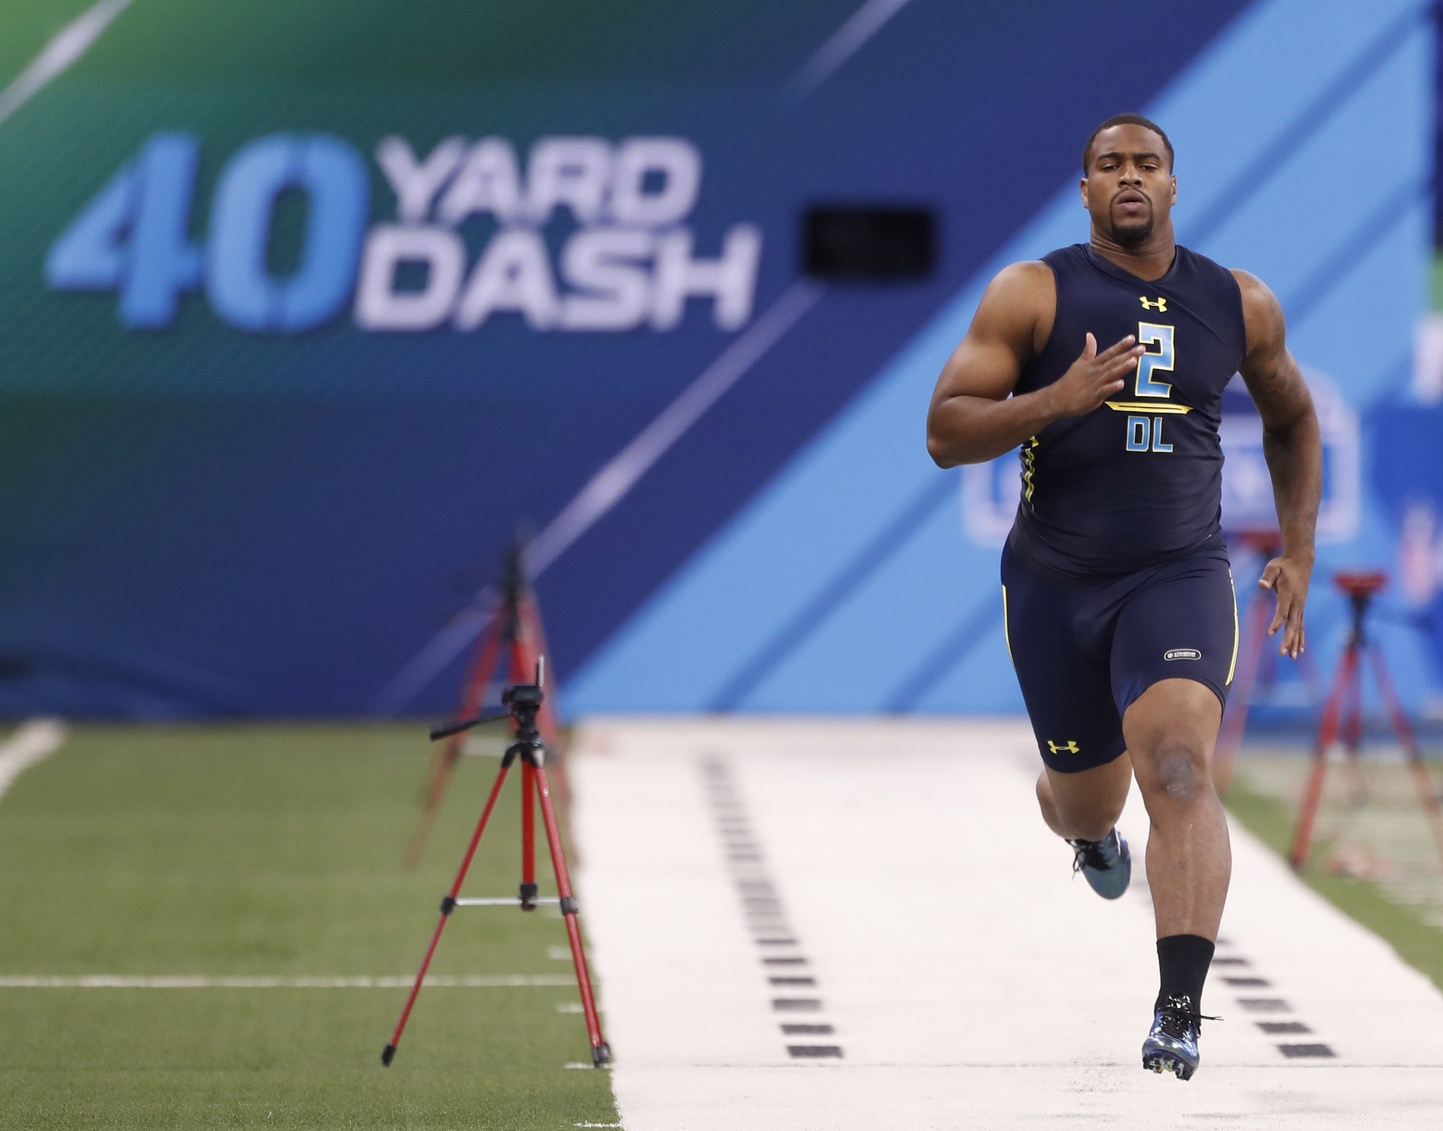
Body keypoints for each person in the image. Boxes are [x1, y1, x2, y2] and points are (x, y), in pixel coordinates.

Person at [925, 113, 1322, 1080]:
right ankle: (1089, 833)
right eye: (1111, 166)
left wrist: (1298, 551)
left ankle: (1177, 1009)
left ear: (1174, 186)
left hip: (1178, 574)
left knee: (1181, 770)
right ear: (1087, 187)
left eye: (1147, 164)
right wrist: (1050, 402)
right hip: (1056, 584)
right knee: (1082, 800)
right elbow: (945, 429)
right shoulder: (1033, 293)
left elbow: (1293, 417)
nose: (1130, 177)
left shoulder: (1237, 301)